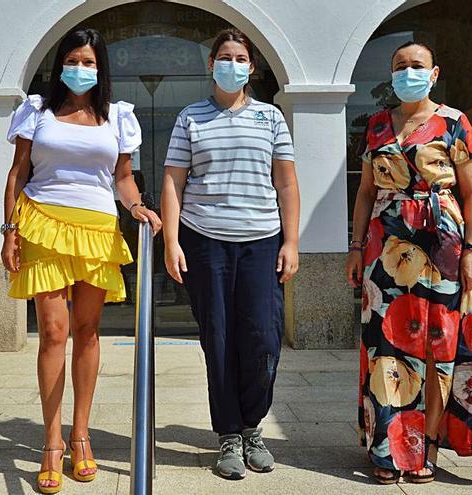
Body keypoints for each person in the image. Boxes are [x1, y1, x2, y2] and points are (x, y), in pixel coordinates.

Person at [1, 27, 161, 494]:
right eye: (74, 60)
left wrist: (136, 207)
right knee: (53, 331)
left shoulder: (118, 117)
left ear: (100, 68)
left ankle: (81, 435)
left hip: (96, 228)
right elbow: (17, 174)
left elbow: (123, 178)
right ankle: (51, 443)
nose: (81, 69)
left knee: (88, 332)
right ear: (61, 64)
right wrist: (9, 231)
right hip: (42, 223)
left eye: (90, 62)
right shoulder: (37, 111)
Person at [345, 41, 472, 485]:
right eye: (400, 66)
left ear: (434, 74)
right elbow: (364, 193)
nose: (407, 72)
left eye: (417, 66)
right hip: (385, 248)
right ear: (390, 74)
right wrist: (356, 247)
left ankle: (425, 446)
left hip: (444, 249)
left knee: (439, 348)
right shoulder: (375, 125)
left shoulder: (455, 123)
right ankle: (386, 445)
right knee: (387, 347)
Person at [160, 27, 300, 480]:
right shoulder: (190, 117)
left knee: (262, 338)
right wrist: (172, 241)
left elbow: (286, 183)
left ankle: (253, 426)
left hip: (262, 241)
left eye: (240, 57)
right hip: (206, 243)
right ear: (211, 64)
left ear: (251, 67)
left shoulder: (271, 117)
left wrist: (292, 242)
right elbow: (173, 182)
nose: (232, 64)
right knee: (218, 340)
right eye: (224, 56)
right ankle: (229, 437)